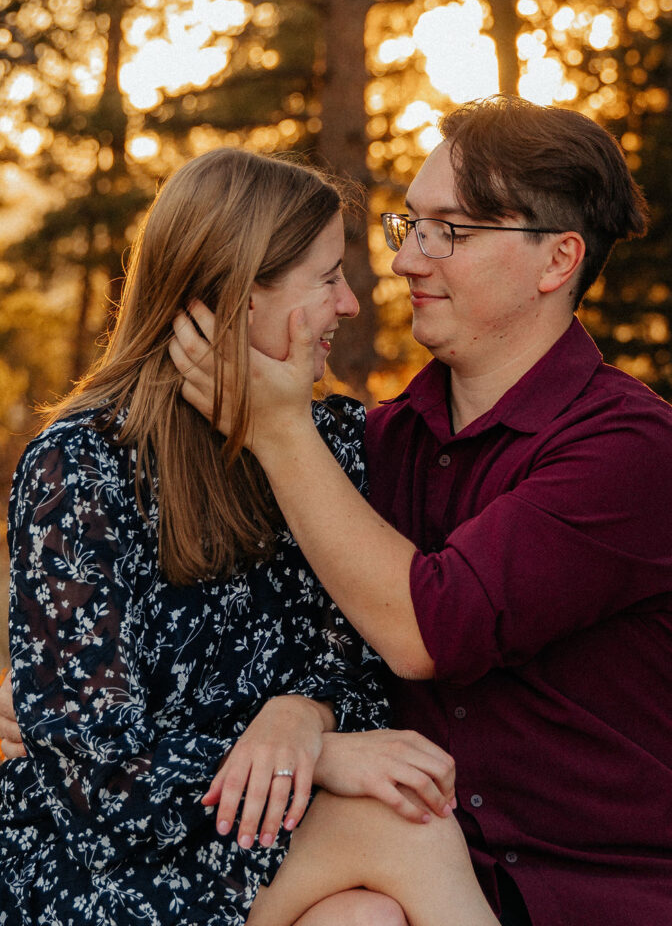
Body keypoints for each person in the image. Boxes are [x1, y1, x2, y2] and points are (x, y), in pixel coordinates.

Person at [166, 95, 672, 926]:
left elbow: (429, 630)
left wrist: (276, 428)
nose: (407, 261)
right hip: (420, 875)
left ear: (556, 259)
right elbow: (245, 630)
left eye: (448, 231)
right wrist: (84, 707)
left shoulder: (629, 450)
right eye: (408, 225)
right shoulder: (374, 447)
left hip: (611, 892)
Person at [0, 147, 500, 926]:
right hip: (104, 856)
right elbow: (92, 766)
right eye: (327, 278)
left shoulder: (330, 443)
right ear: (236, 299)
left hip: (260, 829)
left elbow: (359, 665)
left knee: (363, 921)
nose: (351, 306)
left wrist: (306, 715)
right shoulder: (81, 464)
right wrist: (322, 754)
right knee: (406, 829)